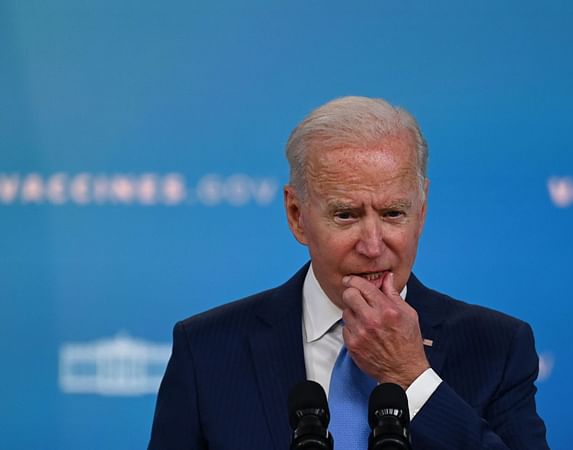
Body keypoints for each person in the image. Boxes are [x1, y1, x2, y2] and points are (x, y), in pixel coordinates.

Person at [148, 96, 549, 449]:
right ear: (297, 215)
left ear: (421, 212)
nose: (373, 245)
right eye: (346, 215)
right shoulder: (207, 350)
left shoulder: (496, 348)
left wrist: (411, 377)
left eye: (394, 213)